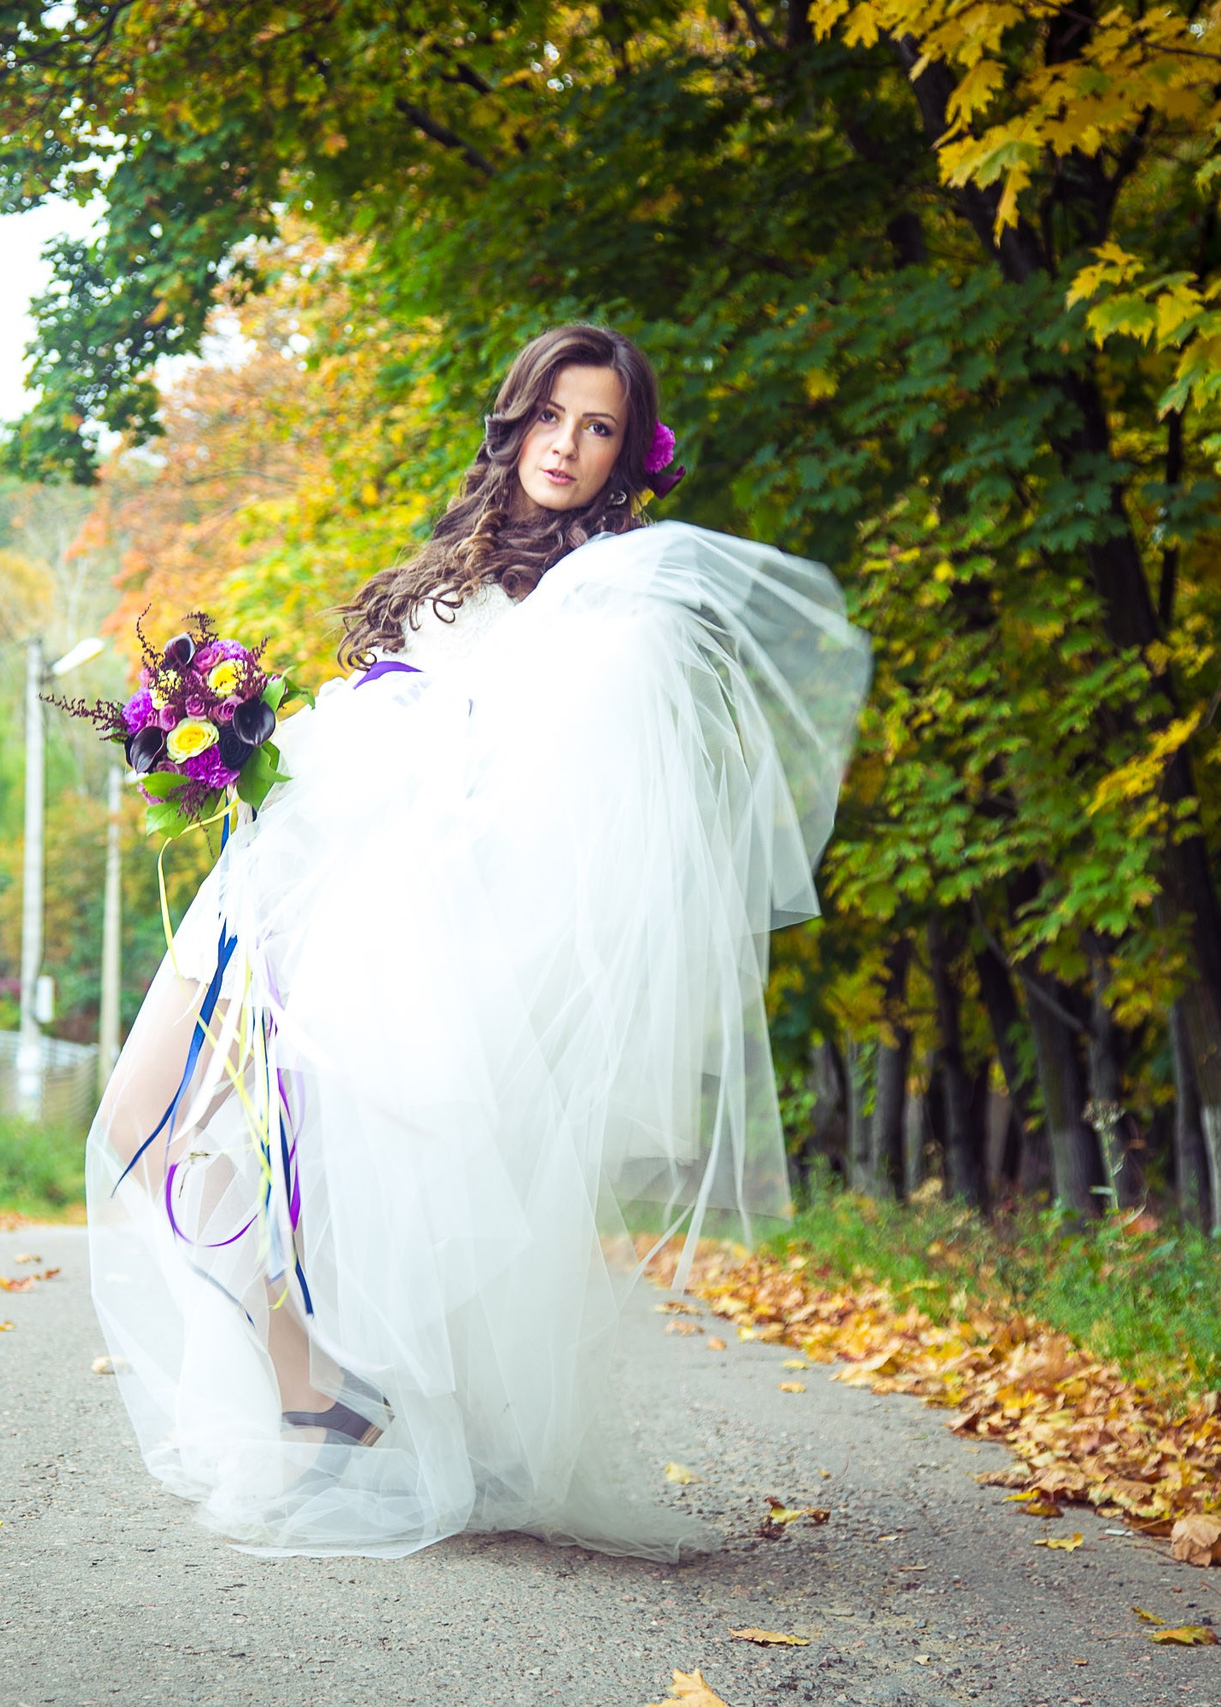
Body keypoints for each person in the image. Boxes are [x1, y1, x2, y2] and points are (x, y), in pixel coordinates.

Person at [85, 323, 870, 1560]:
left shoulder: (606, 600)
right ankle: (314, 1380)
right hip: (277, 868)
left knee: (312, 1169)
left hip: (390, 911)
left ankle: (321, 1390)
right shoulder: (461, 555)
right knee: (139, 1119)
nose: (567, 445)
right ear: (516, 419)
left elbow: (548, 800)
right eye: (552, 415)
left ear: (627, 454)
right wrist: (242, 731)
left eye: (599, 426)